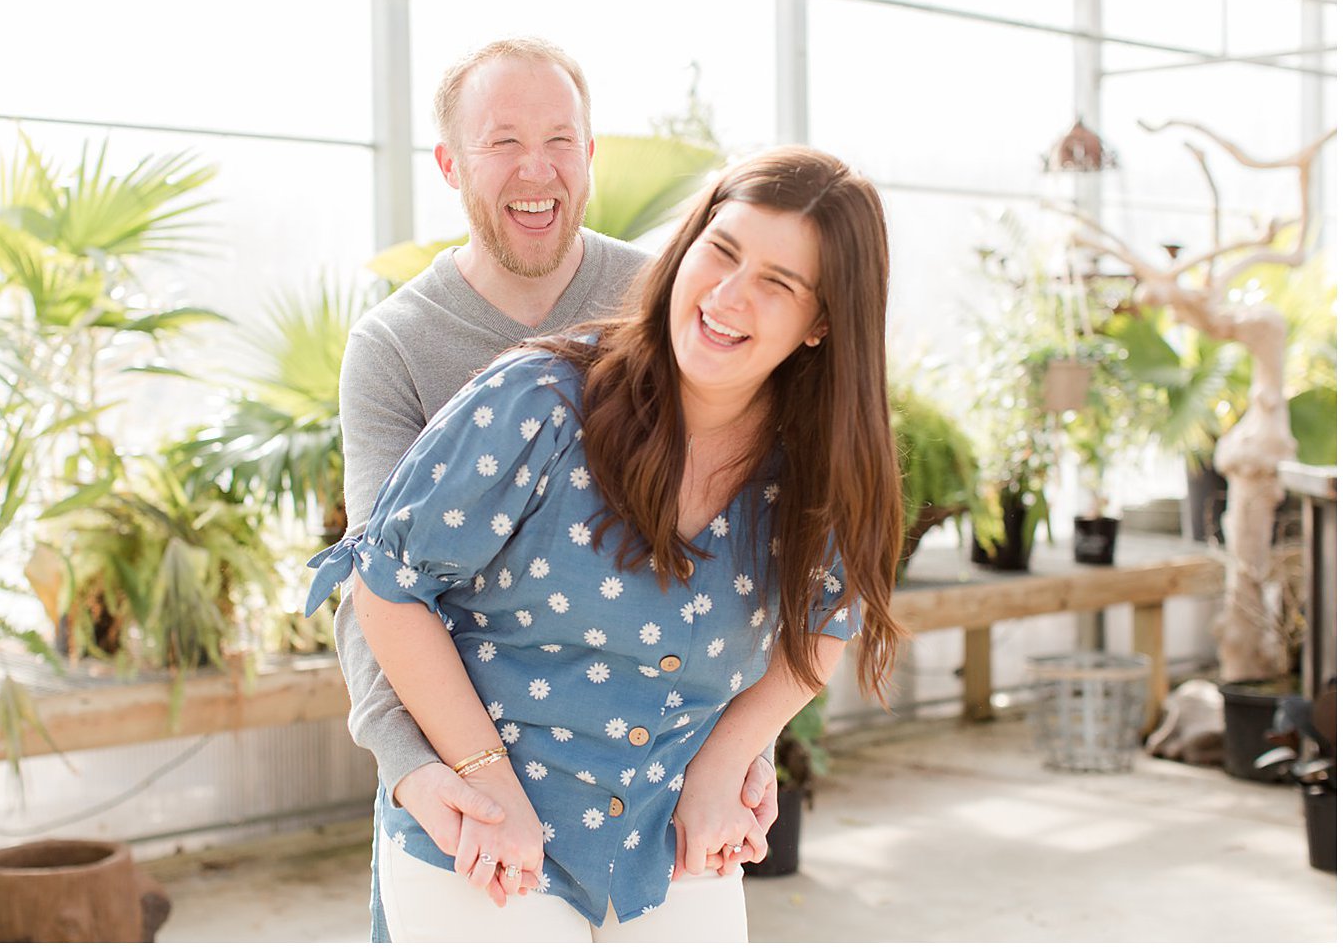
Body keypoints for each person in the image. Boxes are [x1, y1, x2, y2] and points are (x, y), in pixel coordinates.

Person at [307, 145, 906, 940]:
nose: (728, 295)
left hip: (667, 840)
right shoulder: (539, 402)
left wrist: (724, 762)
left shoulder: (820, 470)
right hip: (486, 832)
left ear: (821, 322)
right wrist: (489, 783)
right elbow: (386, 583)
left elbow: (824, 628)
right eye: (721, 252)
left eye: (778, 283)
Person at [332, 38, 779, 939]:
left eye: (561, 140)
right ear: (451, 164)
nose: (537, 170)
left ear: (589, 152)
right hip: (473, 775)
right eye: (502, 143)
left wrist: (743, 740)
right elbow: (374, 585)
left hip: (654, 793)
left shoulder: (665, 302)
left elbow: (734, 544)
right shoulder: (396, 346)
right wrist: (417, 768)